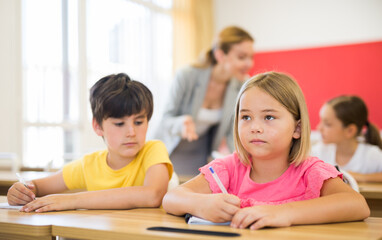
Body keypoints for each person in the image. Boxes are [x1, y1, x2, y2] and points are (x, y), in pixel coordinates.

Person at [162, 72, 369, 230]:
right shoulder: (228, 169)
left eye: (268, 117)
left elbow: (357, 204)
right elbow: (171, 198)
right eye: (246, 117)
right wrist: (201, 204)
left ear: (297, 128)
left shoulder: (310, 172)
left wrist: (284, 214)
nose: (255, 127)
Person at [7, 73, 173, 212]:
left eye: (138, 122)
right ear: (97, 126)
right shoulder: (89, 165)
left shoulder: (154, 149)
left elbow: (152, 195)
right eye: (119, 124)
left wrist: (72, 201)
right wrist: (22, 191)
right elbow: (37, 186)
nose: (131, 132)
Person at [154, 26, 255, 176]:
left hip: (199, 156)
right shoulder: (186, 76)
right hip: (170, 149)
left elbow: (231, 133)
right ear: (220, 55)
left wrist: (244, 164)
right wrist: (180, 123)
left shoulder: (241, 86)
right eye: (241, 57)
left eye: (251, 57)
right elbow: (165, 120)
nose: (249, 64)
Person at [312, 95, 382, 183]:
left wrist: (361, 177)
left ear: (350, 131)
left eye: (328, 124)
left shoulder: (371, 155)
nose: (319, 128)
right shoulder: (318, 152)